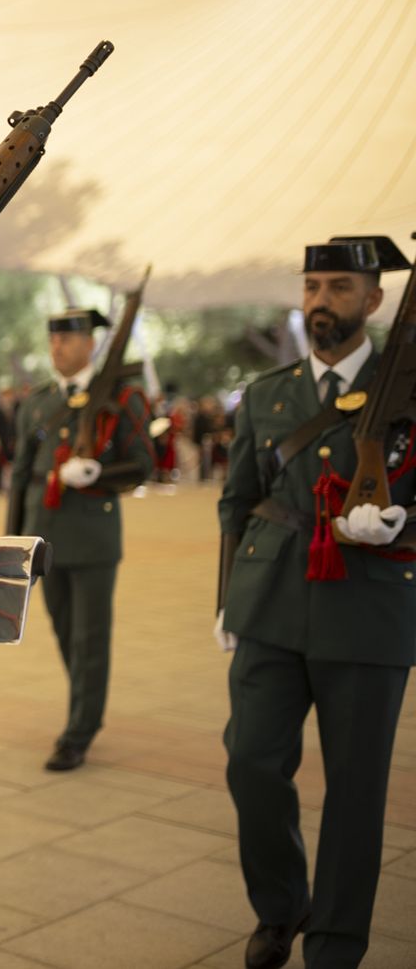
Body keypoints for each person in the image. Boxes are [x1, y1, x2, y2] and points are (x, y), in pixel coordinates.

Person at [217, 235, 415, 969]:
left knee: (356, 787)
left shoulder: (409, 391)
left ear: (374, 299)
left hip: (369, 607)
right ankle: (281, 906)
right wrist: (223, 599)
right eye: (311, 286)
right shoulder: (269, 393)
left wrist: (402, 520)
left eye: (337, 287)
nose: (320, 301)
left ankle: (334, 940)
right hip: (268, 602)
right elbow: (237, 502)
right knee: (251, 763)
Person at [6, 308, 154, 772]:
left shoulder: (121, 398)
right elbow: (21, 476)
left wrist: (99, 473)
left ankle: (79, 731)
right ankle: (85, 705)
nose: (58, 349)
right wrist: (16, 541)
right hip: (46, 535)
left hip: (92, 536)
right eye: (53, 341)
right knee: (66, 632)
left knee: (91, 639)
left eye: (67, 341)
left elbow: (142, 464)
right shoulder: (38, 402)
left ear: (90, 344)